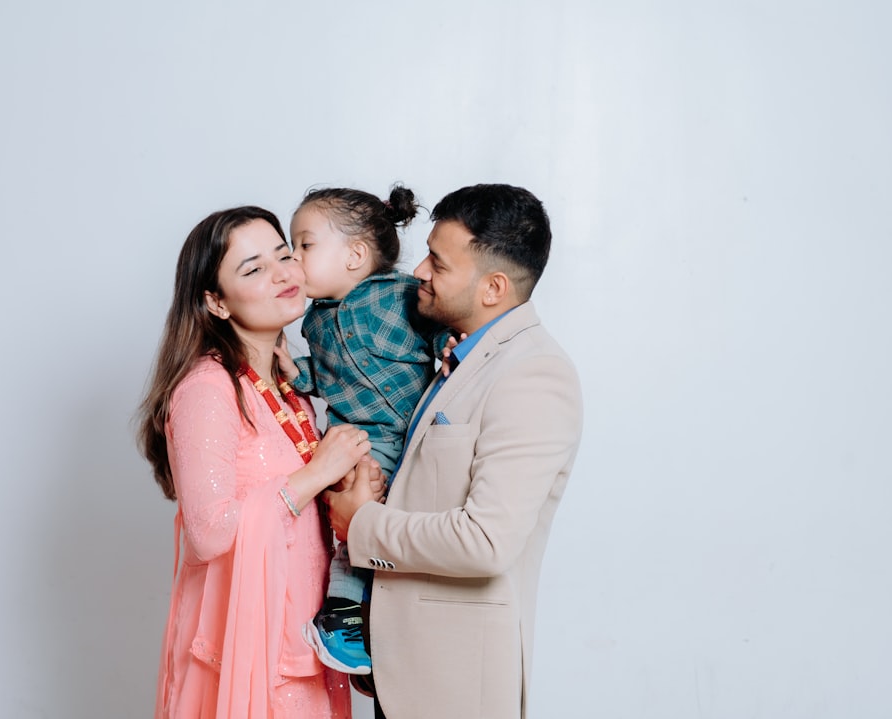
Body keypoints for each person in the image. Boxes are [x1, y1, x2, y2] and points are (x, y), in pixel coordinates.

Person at [325, 184, 584, 718]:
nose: (419, 271)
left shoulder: (534, 375)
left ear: (493, 287)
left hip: (455, 686)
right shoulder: (457, 355)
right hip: (405, 669)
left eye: (438, 264)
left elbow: (485, 541)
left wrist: (361, 524)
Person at [137, 205, 384, 719]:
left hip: (301, 646)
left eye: (284, 255)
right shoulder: (208, 388)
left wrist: (350, 492)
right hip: (247, 655)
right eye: (253, 269)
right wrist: (316, 472)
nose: (281, 274)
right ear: (216, 302)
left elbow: (298, 520)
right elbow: (209, 534)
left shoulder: (290, 387)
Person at [272, 185, 449, 677]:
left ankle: (375, 623)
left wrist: (449, 344)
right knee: (357, 520)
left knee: (402, 532)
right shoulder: (314, 323)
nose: (293, 257)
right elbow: (327, 378)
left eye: (305, 245)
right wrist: (296, 372)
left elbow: (436, 327)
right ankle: (343, 614)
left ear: (354, 256)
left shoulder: (401, 295)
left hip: (416, 435)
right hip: (360, 441)